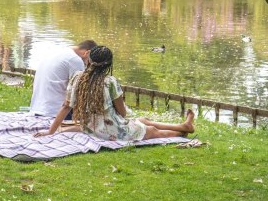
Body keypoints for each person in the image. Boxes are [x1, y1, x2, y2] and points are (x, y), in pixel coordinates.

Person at [34, 45, 195, 141]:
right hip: (110, 131)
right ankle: (181, 131)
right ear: (108, 65)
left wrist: (50, 131)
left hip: (90, 127)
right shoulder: (110, 82)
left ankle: (184, 125)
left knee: (142, 120)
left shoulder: (77, 77)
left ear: (89, 60)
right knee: (151, 131)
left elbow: (65, 107)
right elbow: (123, 113)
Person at [30, 40, 98, 118]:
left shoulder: (56, 52)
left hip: (36, 108)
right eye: (89, 62)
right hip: (55, 112)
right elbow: (79, 91)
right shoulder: (74, 60)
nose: (87, 65)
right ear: (87, 53)